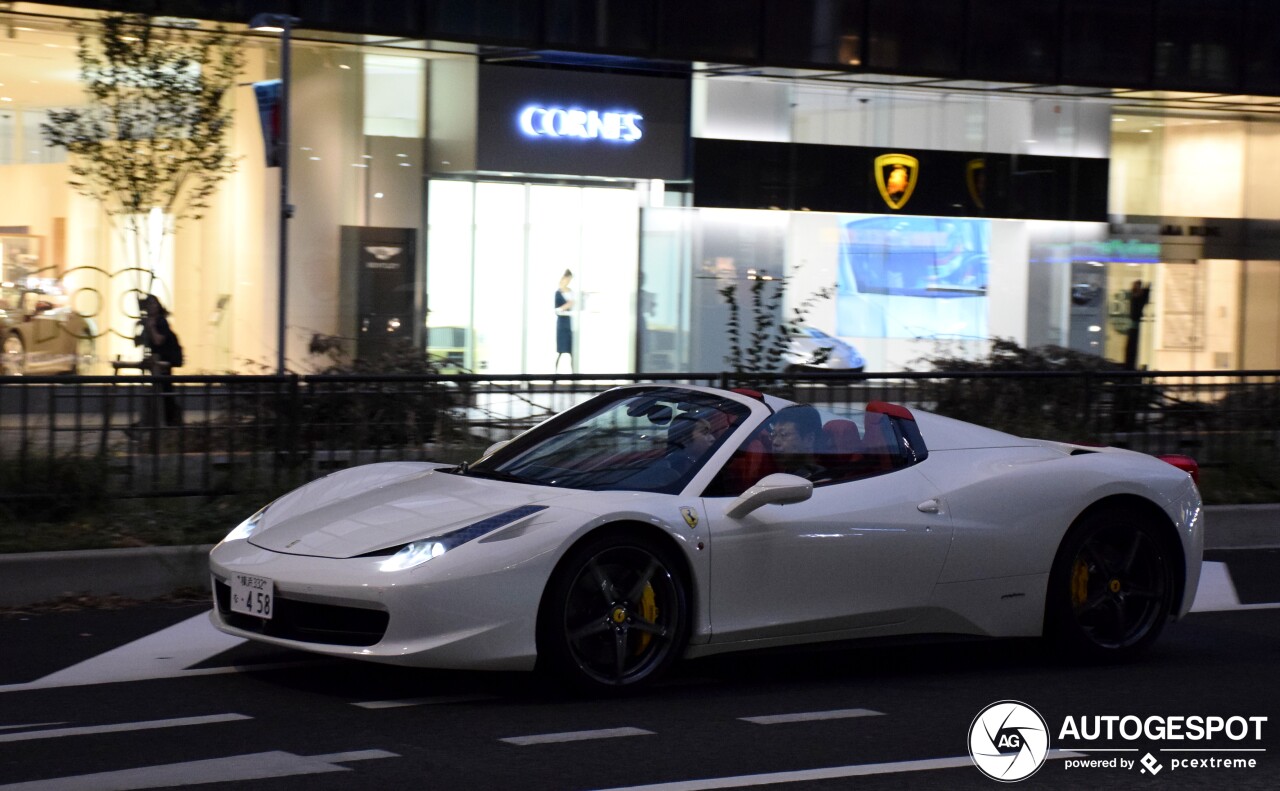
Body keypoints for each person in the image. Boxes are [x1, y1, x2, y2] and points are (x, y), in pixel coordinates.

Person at [134, 294, 184, 427]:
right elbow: (139, 342)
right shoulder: (149, 322)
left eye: (154, 304)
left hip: (165, 359)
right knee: (160, 390)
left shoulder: (161, 321)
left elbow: (158, 340)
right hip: (157, 360)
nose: (151, 307)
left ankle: (169, 420)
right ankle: (159, 420)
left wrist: (150, 327)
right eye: (149, 304)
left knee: (165, 390)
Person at [769, 404, 824, 479]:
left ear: (809, 439)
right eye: (773, 435)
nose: (775, 442)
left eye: (783, 435)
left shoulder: (820, 480)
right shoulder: (790, 474)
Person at [554, 269, 574, 373]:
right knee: (561, 350)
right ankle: (556, 374)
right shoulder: (558, 293)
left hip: (570, 323)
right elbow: (556, 309)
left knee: (572, 351)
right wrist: (567, 305)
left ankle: (574, 374)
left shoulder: (571, 292)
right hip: (562, 324)